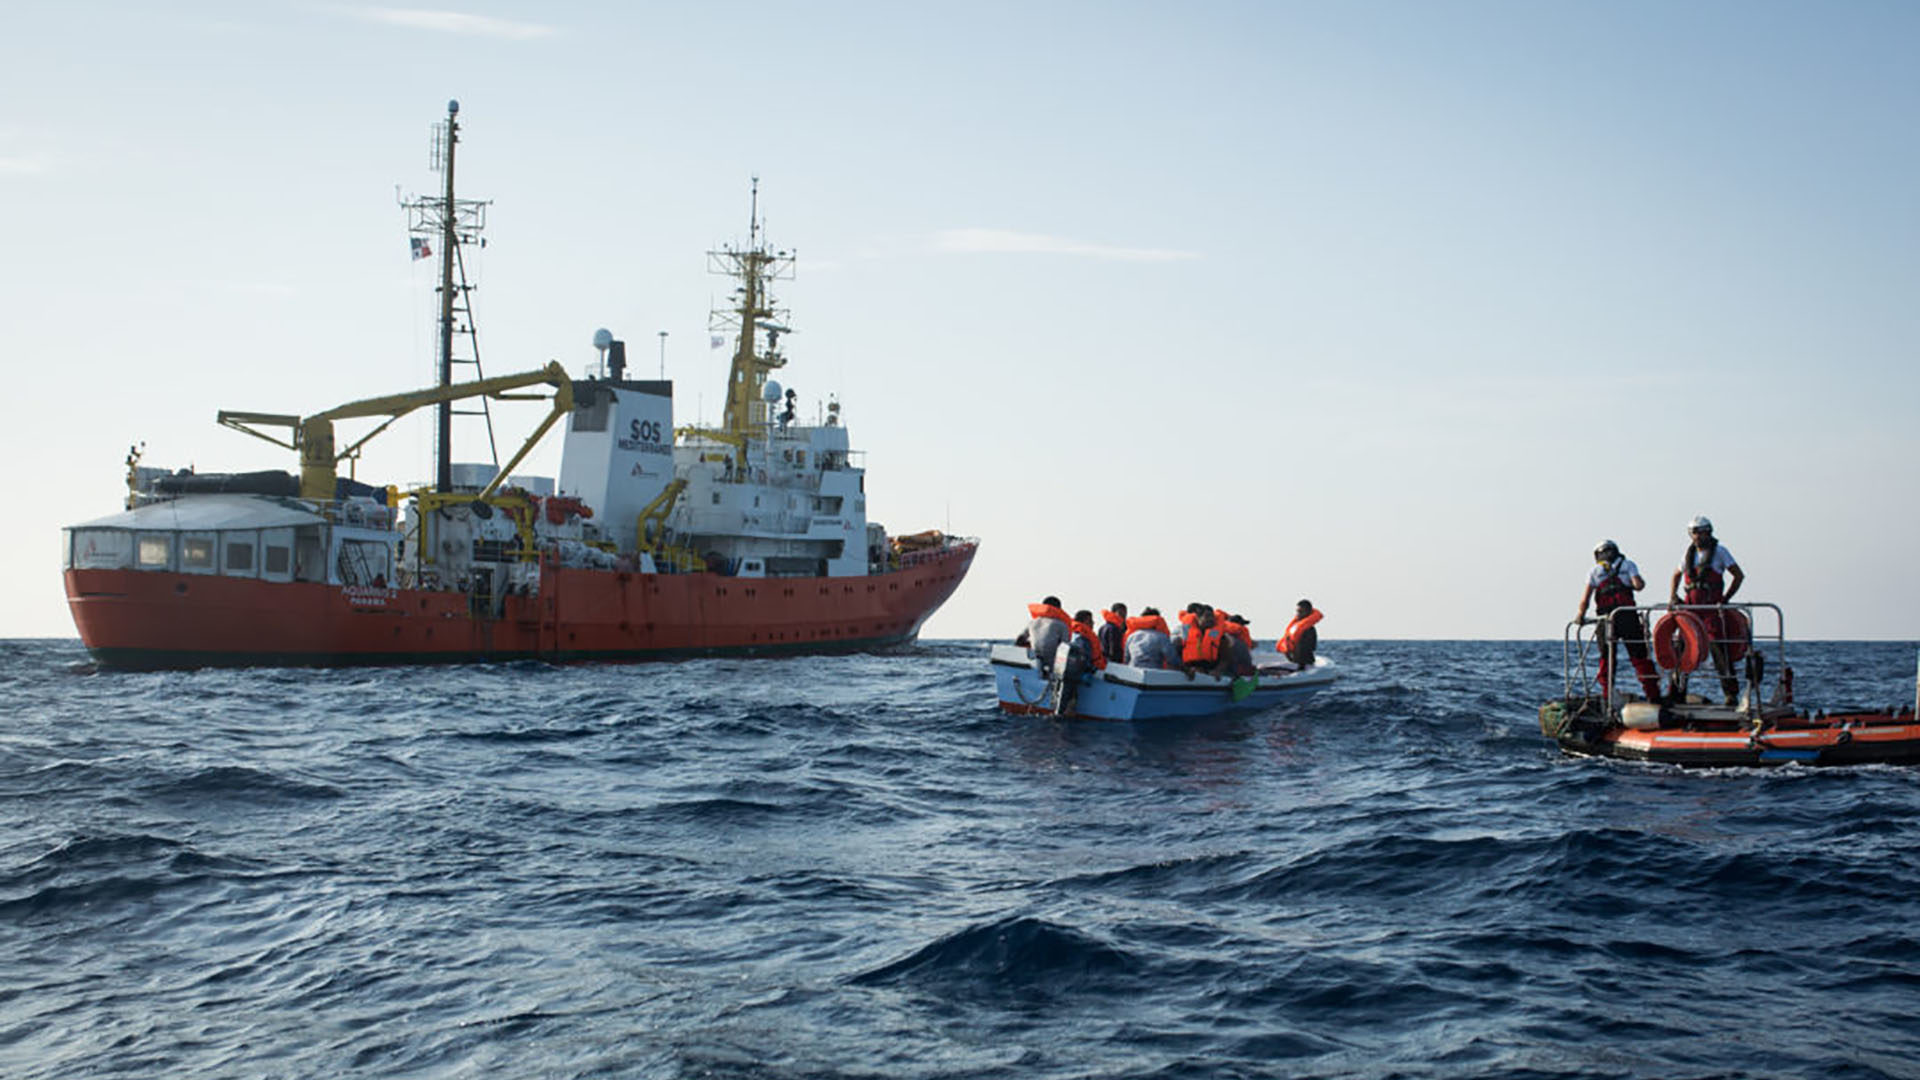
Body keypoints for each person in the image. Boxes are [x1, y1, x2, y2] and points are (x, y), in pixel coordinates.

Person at [1668, 515, 1745, 704]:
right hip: (1691, 608)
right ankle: (1676, 692)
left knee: (1719, 648)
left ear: (1708, 532)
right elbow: (1677, 574)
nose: (1698, 536)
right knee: (1682, 648)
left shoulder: (1720, 552)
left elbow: (1738, 575)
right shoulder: (1688, 555)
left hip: (1711, 608)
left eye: (1701, 532)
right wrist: (1673, 596)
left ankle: (1730, 694)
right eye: (1694, 532)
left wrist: (1726, 599)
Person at [1577, 539, 1661, 702]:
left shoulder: (1594, 571)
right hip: (1628, 616)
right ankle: (1653, 695)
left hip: (1606, 620)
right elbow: (1639, 585)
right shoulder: (1628, 565)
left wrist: (1580, 615)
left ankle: (1608, 696)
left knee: (1607, 658)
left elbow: (1585, 599)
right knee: (1639, 656)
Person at [1023, 596, 1072, 675]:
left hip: (1034, 660)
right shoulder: (1061, 625)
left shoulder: (1032, 622)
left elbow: (1020, 639)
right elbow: (1065, 647)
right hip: (1051, 662)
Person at [1276, 600, 1321, 666]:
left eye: (1301, 612)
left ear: (1308, 612)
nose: (1298, 614)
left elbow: (1306, 650)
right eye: (1297, 611)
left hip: (1304, 664)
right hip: (1293, 661)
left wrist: (1298, 664)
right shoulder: (1295, 627)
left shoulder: (1309, 630)